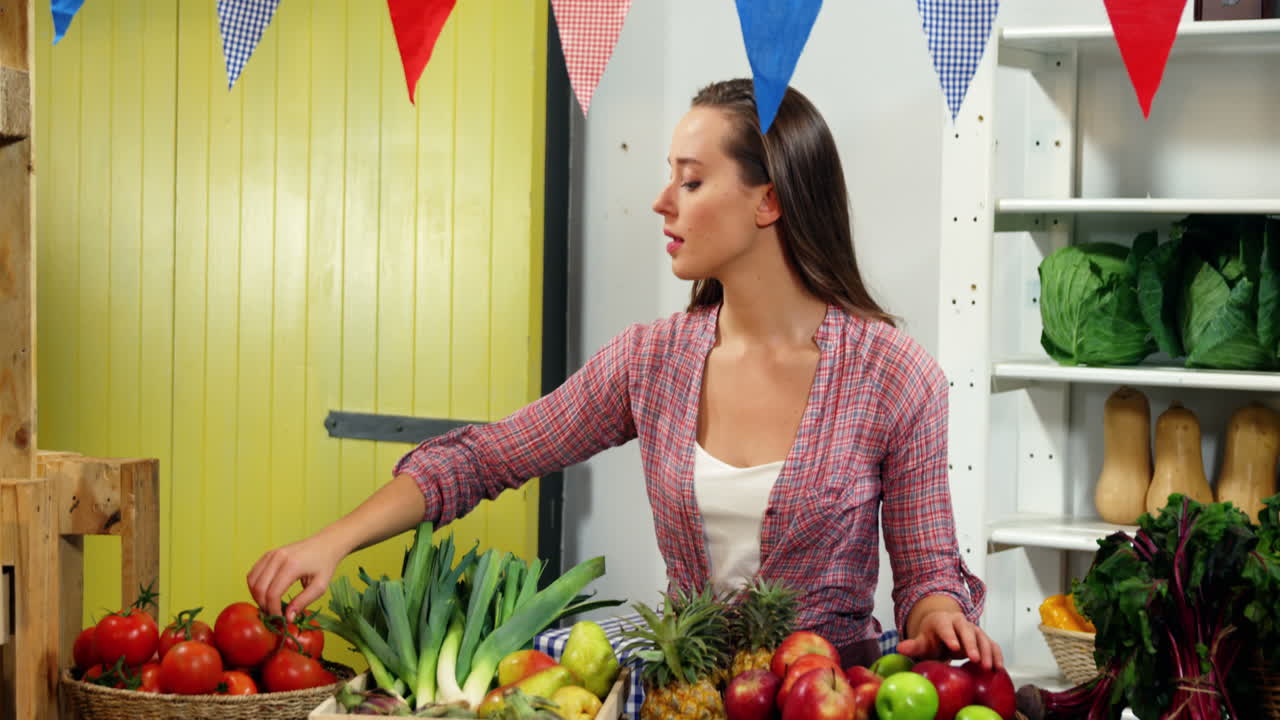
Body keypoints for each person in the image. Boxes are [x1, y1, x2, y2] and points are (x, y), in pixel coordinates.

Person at [248, 78, 1003, 670]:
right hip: (685, 698)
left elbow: (929, 567)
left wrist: (939, 616)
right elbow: (483, 457)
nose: (661, 201)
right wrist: (333, 542)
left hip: (826, 696)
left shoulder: (894, 375)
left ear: (768, 201)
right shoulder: (653, 361)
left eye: (691, 180)